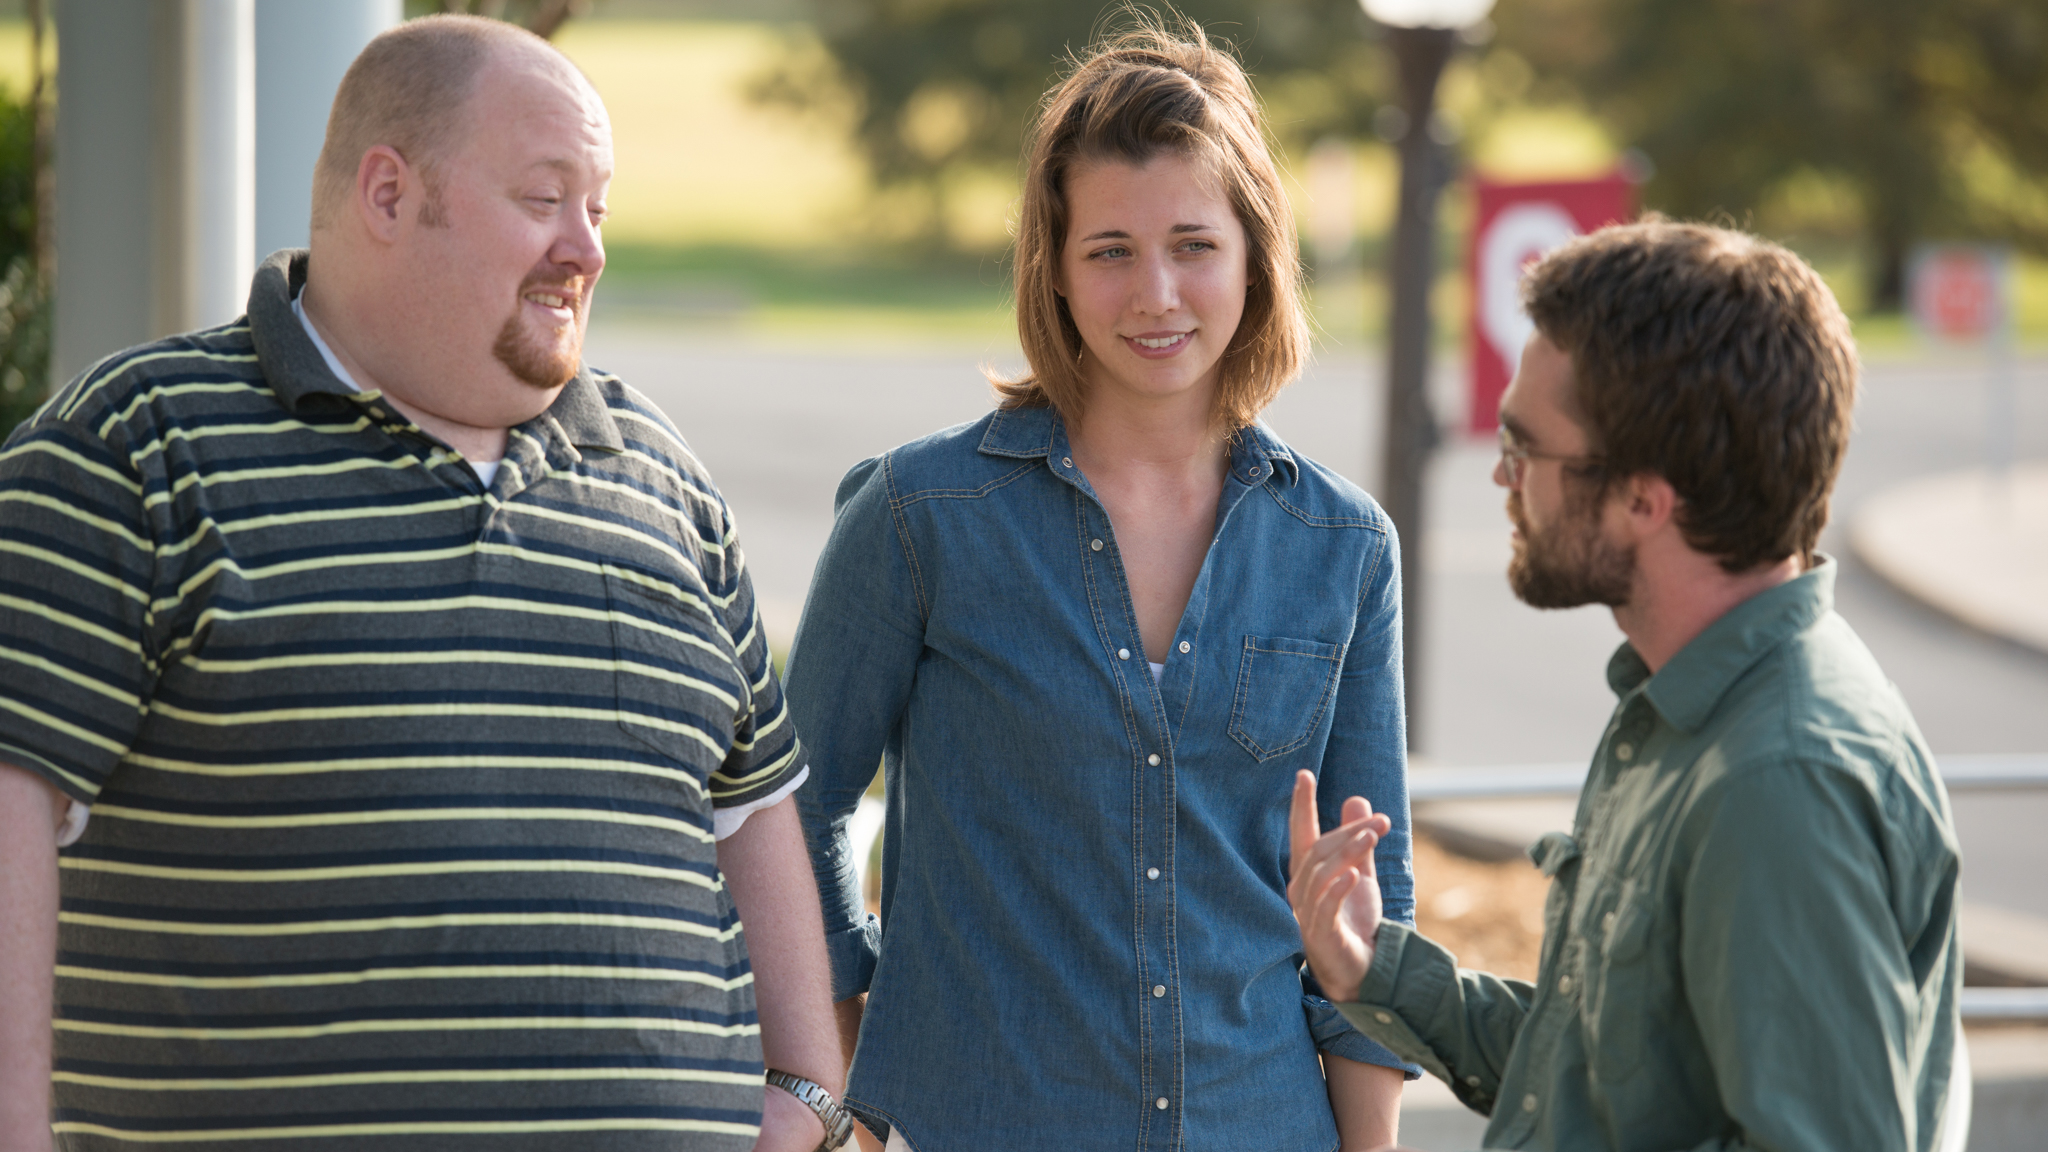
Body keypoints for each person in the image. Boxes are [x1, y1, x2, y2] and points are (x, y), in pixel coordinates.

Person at [0, 16, 851, 1151]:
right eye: (544, 197)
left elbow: (752, 802)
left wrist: (803, 1093)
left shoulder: (661, 477)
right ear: (390, 195)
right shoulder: (134, 451)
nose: (585, 247)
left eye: (597, 209)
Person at [784, 21, 1418, 1152]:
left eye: (1192, 244)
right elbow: (797, 810)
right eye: (1110, 250)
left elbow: (1370, 898)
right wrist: (843, 1080)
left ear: (1253, 256)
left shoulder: (1342, 546)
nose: (1156, 294)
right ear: (1057, 269)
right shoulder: (918, 518)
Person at [1289, 219, 1962, 1152]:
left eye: (1527, 449)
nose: (1501, 474)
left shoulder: (1779, 782)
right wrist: (1377, 971)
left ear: (1646, 499)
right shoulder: (1687, 705)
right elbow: (1605, 1077)